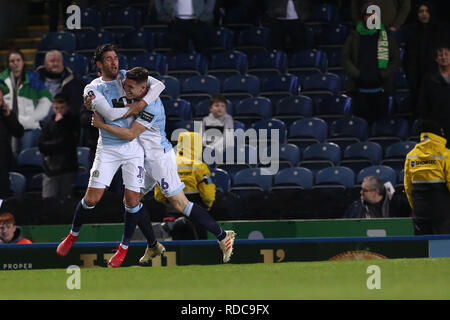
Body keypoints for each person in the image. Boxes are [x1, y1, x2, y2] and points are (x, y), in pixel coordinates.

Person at [90, 67, 235, 264]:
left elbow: (131, 134)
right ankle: (152, 245)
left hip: (159, 159)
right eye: (126, 86)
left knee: (180, 203)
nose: (127, 90)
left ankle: (222, 237)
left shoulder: (152, 107)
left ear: (143, 89)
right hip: (145, 160)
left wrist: (103, 125)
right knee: (131, 200)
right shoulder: (138, 90)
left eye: (131, 87)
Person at [56, 44, 166, 268]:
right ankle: (72, 235)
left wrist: (142, 103)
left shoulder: (128, 76)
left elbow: (159, 85)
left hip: (133, 148)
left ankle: (123, 248)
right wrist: (134, 109)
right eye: (108, 59)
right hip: (107, 149)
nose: (114, 63)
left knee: (133, 200)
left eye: (116, 58)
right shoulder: (92, 88)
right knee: (91, 199)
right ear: (99, 64)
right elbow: (109, 115)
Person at [342, 1, 401, 124]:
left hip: (381, 90)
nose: (371, 17)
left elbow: (395, 59)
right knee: (360, 125)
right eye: (368, 14)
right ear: (364, 17)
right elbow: (346, 59)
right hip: (359, 91)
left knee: (381, 125)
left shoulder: (386, 36)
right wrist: (357, 74)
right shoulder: (354, 37)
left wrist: (384, 74)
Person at [154, 131, 216, 239]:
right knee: (197, 243)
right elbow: (207, 192)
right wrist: (208, 204)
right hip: (194, 210)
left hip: (172, 209)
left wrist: (167, 203)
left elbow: (159, 192)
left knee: (175, 247)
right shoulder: (199, 166)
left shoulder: (167, 164)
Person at [0, 50, 52, 154]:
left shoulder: (33, 79)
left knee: (25, 159)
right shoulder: (2, 79)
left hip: (28, 128)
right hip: (8, 128)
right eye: (12, 61)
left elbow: (46, 99)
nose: (15, 63)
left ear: (23, 62)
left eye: (18, 60)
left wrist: (32, 118)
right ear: (8, 64)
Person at [404, 120, 450, 235]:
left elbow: (408, 187)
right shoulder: (446, 154)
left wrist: (415, 207)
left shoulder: (411, 155)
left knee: (423, 247)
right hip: (442, 212)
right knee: (444, 248)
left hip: (420, 210)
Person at [38, 93, 80, 201]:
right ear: (53, 107)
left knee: (65, 203)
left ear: (68, 107)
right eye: (56, 108)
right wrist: (58, 144)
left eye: (62, 108)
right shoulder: (48, 123)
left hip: (68, 168)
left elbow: (70, 143)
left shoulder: (73, 121)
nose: (59, 111)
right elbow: (41, 145)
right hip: (50, 169)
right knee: (48, 203)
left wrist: (60, 124)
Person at [403, 2, 443, 117]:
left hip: (436, 83)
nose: (424, 14)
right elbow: (407, 60)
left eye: (427, 11)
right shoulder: (412, 35)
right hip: (416, 84)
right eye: (421, 11)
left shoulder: (439, 34)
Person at [36, 50, 85, 117]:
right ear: (45, 64)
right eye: (52, 61)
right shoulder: (35, 80)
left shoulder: (73, 81)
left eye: (58, 61)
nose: (56, 64)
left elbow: (75, 108)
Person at [417, 44, 450, 142]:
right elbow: (423, 103)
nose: (443, 57)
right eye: (440, 55)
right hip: (436, 126)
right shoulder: (428, 79)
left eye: (446, 54)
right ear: (436, 59)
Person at [344, 175, 410, 218]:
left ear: (375, 192)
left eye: (364, 190)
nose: (361, 192)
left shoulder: (399, 204)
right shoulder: (356, 207)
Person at [0, 84, 24, 198]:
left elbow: (19, 132)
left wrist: (8, 115)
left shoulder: (6, 114)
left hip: (3, 162)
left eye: (0, 99)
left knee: (3, 194)